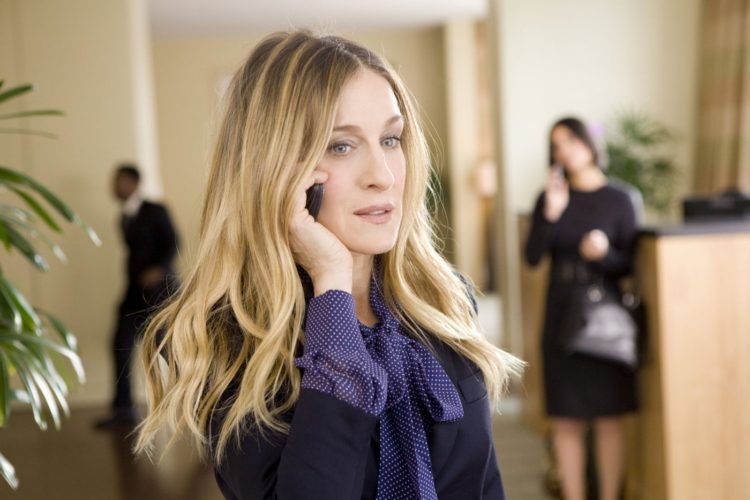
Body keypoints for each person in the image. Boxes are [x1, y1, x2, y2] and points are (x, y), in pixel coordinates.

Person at [134, 30, 523, 499]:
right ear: (275, 170)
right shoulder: (226, 339)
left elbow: (484, 485)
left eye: (391, 139)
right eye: (341, 146)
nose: (382, 175)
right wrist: (332, 286)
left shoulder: (445, 296)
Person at [524, 117, 641, 500]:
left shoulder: (621, 198)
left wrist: (604, 254)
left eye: (571, 141)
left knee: (610, 419)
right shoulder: (551, 196)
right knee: (566, 420)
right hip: (560, 313)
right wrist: (551, 214)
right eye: (556, 145)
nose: (565, 151)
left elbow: (629, 265)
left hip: (605, 316)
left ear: (589, 143)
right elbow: (532, 257)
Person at [94, 164, 179, 429]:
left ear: (133, 183)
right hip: (133, 292)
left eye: (118, 181)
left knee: (169, 348)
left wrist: (158, 269)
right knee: (120, 343)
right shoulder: (123, 217)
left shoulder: (156, 210)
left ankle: (202, 401)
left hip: (160, 292)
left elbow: (174, 243)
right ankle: (123, 409)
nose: (114, 186)